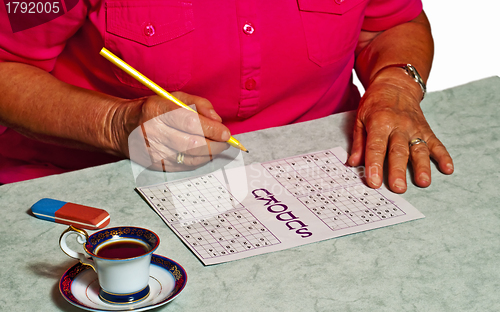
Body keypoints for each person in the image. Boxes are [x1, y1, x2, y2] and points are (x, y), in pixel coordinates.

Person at [0, 0, 453, 192]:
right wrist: (115, 124)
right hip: (97, 179)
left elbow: (393, 22)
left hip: (320, 169)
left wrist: (396, 88)